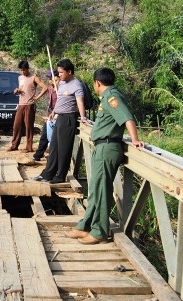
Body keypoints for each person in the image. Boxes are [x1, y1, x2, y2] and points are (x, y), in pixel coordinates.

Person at [65, 67, 145, 244]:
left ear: (97, 83)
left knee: (101, 191)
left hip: (107, 147)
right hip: (102, 147)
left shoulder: (112, 97)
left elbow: (127, 117)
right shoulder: (107, 97)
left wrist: (135, 139)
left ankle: (99, 232)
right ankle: (85, 225)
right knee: (95, 190)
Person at [33, 59, 86, 184]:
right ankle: (48, 173)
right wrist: (54, 111)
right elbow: (60, 100)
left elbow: (80, 102)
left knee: (64, 148)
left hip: (68, 118)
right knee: (54, 147)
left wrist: (83, 117)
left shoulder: (76, 84)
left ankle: (60, 175)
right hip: (59, 117)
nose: (59, 75)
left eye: (61, 72)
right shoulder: (62, 83)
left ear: (69, 71)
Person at [8, 60, 47, 153]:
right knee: (16, 125)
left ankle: (29, 147)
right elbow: (21, 88)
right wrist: (17, 91)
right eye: (20, 70)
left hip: (29, 105)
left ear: (27, 69)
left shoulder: (34, 77)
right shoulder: (20, 78)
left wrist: (37, 97)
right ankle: (14, 145)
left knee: (28, 126)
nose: (22, 72)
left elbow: (45, 88)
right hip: (21, 104)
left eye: (24, 70)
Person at [33, 69, 60, 161]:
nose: (50, 81)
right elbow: (47, 94)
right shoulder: (51, 88)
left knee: (53, 137)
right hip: (50, 114)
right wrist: (37, 97)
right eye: (49, 79)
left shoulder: (60, 88)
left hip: (57, 115)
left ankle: (51, 156)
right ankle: (38, 155)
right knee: (44, 134)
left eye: (52, 79)